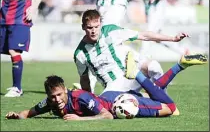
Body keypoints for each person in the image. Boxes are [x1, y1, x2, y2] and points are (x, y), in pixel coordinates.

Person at [5, 53, 207, 120]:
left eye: (59, 95)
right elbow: (29, 112)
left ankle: (136, 73)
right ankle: (180, 64)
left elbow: (106, 116)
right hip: (110, 95)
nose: (56, 100)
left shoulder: (81, 98)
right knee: (153, 93)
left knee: (170, 109)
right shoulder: (51, 101)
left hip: (118, 104)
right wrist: (18, 115)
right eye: (52, 97)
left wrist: (78, 120)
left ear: (65, 90)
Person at [74, 9, 189, 94]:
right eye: (90, 27)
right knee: (125, 107)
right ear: (83, 27)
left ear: (100, 25)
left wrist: (173, 39)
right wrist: (88, 99)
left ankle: (164, 100)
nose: (94, 31)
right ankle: (145, 97)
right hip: (113, 89)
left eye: (96, 26)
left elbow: (144, 35)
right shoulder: (80, 53)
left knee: (154, 66)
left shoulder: (111, 31)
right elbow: (84, 80)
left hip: (131, 77)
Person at [0, 0, 42, 97]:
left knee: (14, 51)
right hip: (3, 19)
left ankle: (17, 88)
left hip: (20, 19)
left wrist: (34, 7)